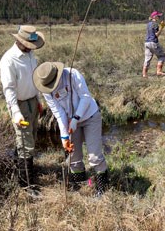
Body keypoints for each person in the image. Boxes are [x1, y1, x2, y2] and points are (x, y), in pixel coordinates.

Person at [33, 62, 109, 196]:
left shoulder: (73, 75)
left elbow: (85, 97)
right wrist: (64, 137)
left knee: (94, 156)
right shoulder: (46, 90)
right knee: (74, 157)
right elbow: (58, 112)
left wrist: (76, 118)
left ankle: (102, 189)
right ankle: (80, 184)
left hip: (89, 115)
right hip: (69, 121)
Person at [0, 25, 45, 191]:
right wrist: (16, 112)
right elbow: (9, 89)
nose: (31, 49)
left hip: (32, 101)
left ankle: (20, 170)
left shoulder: (31, 55)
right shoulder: (8, 60)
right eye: (28, 45)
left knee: (30, 138)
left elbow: (34, 79)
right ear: (19, 41)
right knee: (25, 144)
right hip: (19, 105)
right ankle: (26, 185)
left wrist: (38, 100)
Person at [142, 11, 165, 78]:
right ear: (154, 17)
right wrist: (162, 27)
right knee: (162, 55)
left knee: (147, 59)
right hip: (153, 42)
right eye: (158, 16)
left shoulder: (148, 24)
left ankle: (144, 74)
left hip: (146, 43)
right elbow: (156, 34)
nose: (159, 17)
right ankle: (159, 71)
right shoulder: (155, 24)